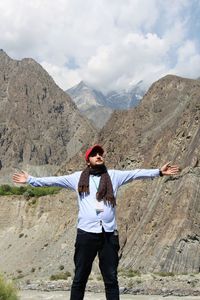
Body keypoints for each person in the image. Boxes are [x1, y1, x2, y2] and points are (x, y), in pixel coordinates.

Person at [12, 144, 179, 300]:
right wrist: (30, 179)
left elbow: (136, 173)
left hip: (109, 234)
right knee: (80, 278)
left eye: (100, 154)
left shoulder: (114, 176)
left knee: (111, 279)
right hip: (86, 234)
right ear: (88, 160)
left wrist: (158, 172)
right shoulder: (77, 178)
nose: (98, 156)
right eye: (94, 154)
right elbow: (53, 180)